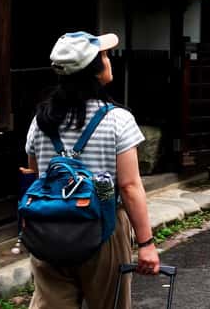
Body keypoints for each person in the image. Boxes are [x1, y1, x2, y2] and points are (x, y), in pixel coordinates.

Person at [23, 31, 160, 309]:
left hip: (50, 230)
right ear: (93, 70)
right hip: (104, 230)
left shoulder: (42, 121)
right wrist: (146, 243)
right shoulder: (117, 120)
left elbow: (36, 174)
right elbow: (130, 186)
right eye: (104, 56)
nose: (109, 60)